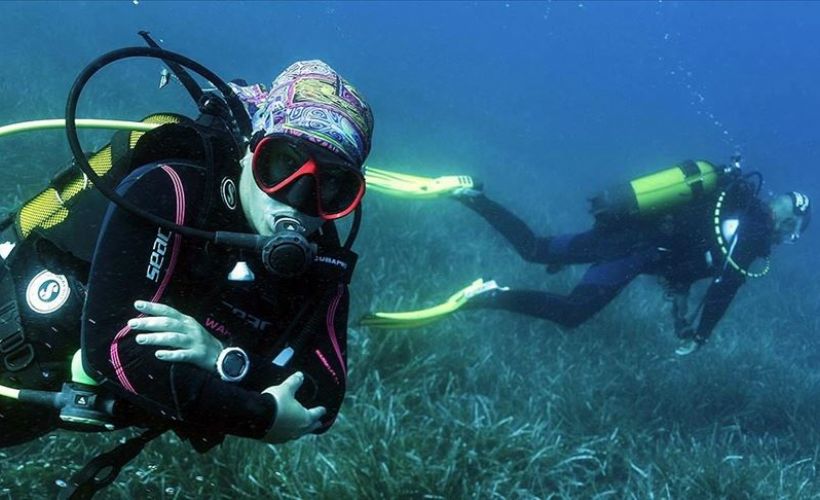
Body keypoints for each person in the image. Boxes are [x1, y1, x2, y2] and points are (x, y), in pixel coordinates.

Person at [0, 57, 374, 460]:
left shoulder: (320, 263)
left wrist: (225, 359)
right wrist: (260, 415)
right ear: (251, 150)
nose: (298, 201)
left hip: (45, 400)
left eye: (332, 187)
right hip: (14, 341)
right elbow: (113, 349)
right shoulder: (174, 189)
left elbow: (322, 401)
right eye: (281, 164)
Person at [362, 160, 810, 356]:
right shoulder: (752, 235)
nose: (786, 231)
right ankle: (487, 295)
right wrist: (702, 336)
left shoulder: (734, 203)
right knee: (573, 312)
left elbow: (685, 273)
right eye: (793, 227)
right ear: (788, 224)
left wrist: (680, 318)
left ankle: (467, 193)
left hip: (624, 232)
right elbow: (724, 286)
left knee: (536, 249)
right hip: (633, 248)